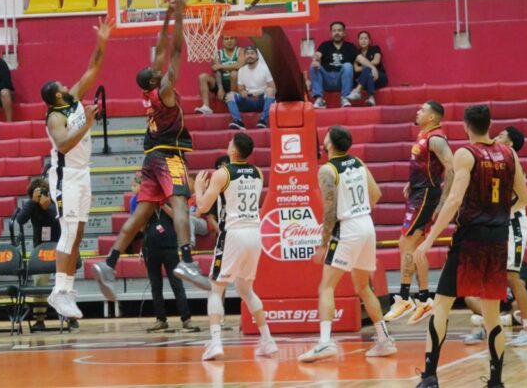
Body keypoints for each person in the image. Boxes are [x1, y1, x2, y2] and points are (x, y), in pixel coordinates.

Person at [92, 0, 211, 299]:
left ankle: (109, 264)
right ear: (156, 79)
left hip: (149, 159)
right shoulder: (166, 90)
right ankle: (186, 260)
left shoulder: (148, 94)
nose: (157, 67)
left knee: (141, 213)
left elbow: (159, 49)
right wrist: (182, 16)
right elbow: (176, 52)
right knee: (182, 204)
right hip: (169, 155)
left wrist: (167, 16)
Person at [413, 104, 527, 388]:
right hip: (498, 237)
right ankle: (496, 381)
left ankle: (429, 377)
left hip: (470, 238)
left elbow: (453, 200)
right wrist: (498, 214)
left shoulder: (466, 153)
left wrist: (428, 240)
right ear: (489, 125)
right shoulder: (509, 153)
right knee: (491, 314)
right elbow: (524, 198)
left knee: (442, 305)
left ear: (466, 126)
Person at [299, 126, 396, 362]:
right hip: (366, 224)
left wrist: (323, 244)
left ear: (329, 144)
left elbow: (330, 211)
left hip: (348, 228)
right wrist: (359, 211)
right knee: (363, 287)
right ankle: (384, 340)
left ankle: (324, 343)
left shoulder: (327, 170)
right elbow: (376, 195)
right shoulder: (359, 163)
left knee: (326, 287)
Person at [42, 22, 110, 321]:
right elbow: (63, 145)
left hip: (83, 174)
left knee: (79, 232)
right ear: (56, 97)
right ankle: (57, 290)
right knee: (68, 232)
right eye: (61, 87)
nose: (67, 86)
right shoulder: (55, 116)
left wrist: (102, 40)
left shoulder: (74, 98)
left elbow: (93, 66)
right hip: (65, 177)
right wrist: (87, 124)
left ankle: (67, 290)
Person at [193, 133, 276, 360]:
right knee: (246, 290)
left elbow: (201, 207)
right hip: (254, 234)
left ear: (233, 151)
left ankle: (216, 343)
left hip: (234, 233)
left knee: (216, 288)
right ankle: (267, 340)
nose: (227, 145)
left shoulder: (223, 174)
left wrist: (198, 187)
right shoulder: (258, 173)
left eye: (230, 143)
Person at [465, 126, 527, 346]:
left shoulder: (514, 164)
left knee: (512, 277)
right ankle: (490, 327)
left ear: (510, 144)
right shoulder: (494, 164)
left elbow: (521, 198)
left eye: (501, 136)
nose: (495, 137)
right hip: (495, 223)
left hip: (513, 223)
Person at [385, 101, 453, 325]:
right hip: (418, 192)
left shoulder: (436, 138)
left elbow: (451, 168)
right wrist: (411, 182)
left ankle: (404, 298)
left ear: (433, 117)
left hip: (425, 196)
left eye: (423, 110)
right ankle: (424, 299)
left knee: (405, 244)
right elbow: (424, 166)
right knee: (415, 248)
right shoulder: (424, 135)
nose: (417, 111)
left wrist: (443, 201)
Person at [142, 201, 199, 334]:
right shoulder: (145, 203)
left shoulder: (171, 200)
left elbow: (177, 217)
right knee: (156, 287)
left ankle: (186, 319)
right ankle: (160, 320)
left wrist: (162, 205)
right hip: (150, 250)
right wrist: (150, 207)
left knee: (177, 285)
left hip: (170, 249)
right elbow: (139, 226)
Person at [15, 178, 61, 331]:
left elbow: (59, 218)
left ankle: (70, 318)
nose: (41, 194)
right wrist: (32, 202)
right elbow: (20, 220)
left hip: (59, 247)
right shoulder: (31, 205)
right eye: (38, 191)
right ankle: (39, 319)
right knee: (39, 282)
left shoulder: (55, 202)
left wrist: (47, 206)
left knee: (64, 282)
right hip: (41, 249)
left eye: (43, 191)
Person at [309, 21, 359, 108]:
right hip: (327, 80)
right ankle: (319, 99)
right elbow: (317, 55)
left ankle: (345, 98)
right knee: (314, 66)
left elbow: (360, 59)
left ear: (344, 33)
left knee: (348, 65)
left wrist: (372, 67)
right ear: (331, 33)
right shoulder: (325, 45)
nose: (337, 33)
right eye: (334, 30)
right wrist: (315, 60)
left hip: (342, 80)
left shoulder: (350, 46)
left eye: (339, 30)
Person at [226, 46, 275, 130]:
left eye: (252, 53)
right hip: (247, 100)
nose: (250, 55)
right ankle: (238, 121)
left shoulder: (265, 69)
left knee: (270, 91)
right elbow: (240, 89)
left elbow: (273, 87)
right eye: (247, 54)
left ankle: (263, 121)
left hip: (261, 100)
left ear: (257, 56)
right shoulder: (241, 70)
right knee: (230, 95)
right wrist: (243, 93)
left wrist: (259, 93)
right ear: (245, 56)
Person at [194, 35, 243, 115]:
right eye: (226, 38)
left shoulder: (241, 51)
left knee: (234, 73)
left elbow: (239, 65)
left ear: (236, 40)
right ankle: (206, 107)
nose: (229, 41)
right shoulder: (218, 53)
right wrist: (220, 88)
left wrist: (221, 66)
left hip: (236, 84)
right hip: (222, 83)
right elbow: (217, 71)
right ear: (222, 41)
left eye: (232, 38)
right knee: (202, 77)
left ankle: (232, 102)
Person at [353, 30, 387, 106]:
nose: (363, 41)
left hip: (378, 77)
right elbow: (356, 69)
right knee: (368, 73)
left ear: (370, 40)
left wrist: (365, 66)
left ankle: (357, 90)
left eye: (366, 38)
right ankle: (371, 98)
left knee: (367, 70)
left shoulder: (375, 48)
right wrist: (369, 67)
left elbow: (376, 61)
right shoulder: (356, 52)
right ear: (358, 41)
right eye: (361, 38)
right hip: (364, 80)